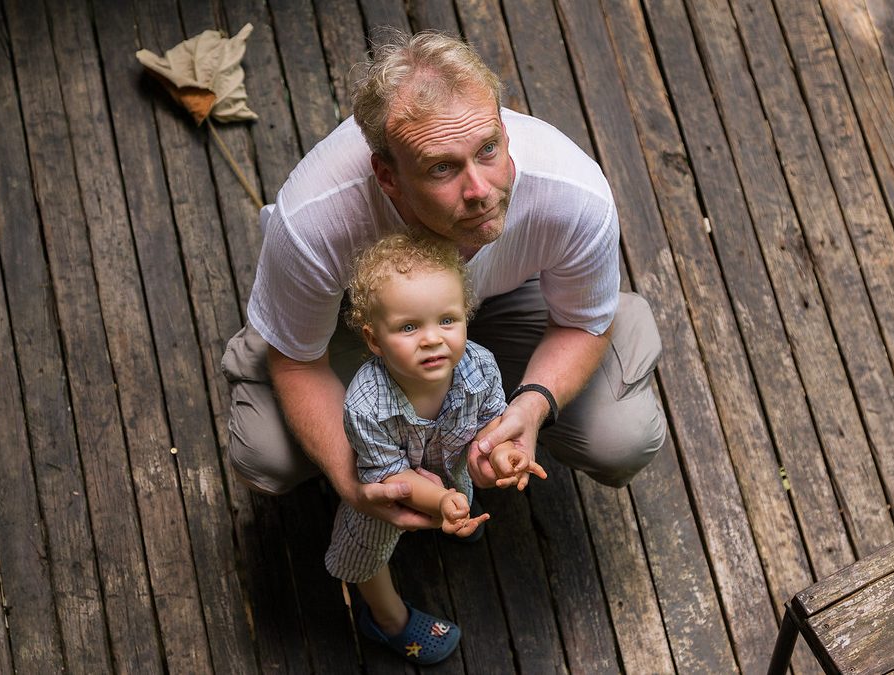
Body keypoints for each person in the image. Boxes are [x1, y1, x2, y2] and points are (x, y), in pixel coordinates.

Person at [220, 29, 666, 529]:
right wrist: (359, 486)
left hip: (506, 299)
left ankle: (606, 310)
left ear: (502, 129)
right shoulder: (313, 218)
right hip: (369, 320)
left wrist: (534, 403)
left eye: (489, 149)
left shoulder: (573, 193)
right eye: (441, 169)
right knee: (267, 454)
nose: (480, 190)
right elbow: (300, 365)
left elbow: (582, 325)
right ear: (388, 178)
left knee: (621, 436)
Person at [326, 233, 545, 664]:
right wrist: (441, 500)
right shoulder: (366, 404)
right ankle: (386, 619)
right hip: (387, 491)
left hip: (450, 465)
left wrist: (502, 455)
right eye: (409, 327)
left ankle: (456, 507)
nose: (431, 339)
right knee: (368, 546)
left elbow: (489, 427)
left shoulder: (478, 364)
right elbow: (391, 478)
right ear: (374, 340)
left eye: (447, 320)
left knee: (459, 492)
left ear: (465, 317)